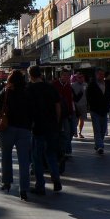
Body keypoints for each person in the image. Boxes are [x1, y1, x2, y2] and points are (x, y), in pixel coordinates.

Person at [0, 70, 32, 201]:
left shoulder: (6, 91)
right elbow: (34, 110)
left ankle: (7, 182)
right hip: (25, 129)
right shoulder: (28, 92)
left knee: (6, 156)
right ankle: (24, 190)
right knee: (24, 161)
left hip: (7, 128)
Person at [27, 65, 63, 195]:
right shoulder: (50, 87)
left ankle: (40, 185)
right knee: (51, 154)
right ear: (41, 74)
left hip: (37, 127)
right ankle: (56, 179)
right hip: (52, 126)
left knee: (37, 157)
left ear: (30, 75)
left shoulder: (29, 89)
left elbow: (27, 110)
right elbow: (58, 106)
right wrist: (57, 122)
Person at [85, 68, 110, 155]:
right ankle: (100, 146)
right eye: (99, 74)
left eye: (102, 74)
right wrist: (91, 106)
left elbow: (109, 95)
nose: (101, 76)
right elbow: (88, 96)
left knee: (103, 129)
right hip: (95, 110)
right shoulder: (92, 85)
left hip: (104, 110)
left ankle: (98, 144)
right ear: (96, 75)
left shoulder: (107, 84)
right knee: (97, 129)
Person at [52, 68, 75, 161]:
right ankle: (66, 151)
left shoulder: (69, 86)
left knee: (72, 131)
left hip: (69, 112)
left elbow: (71, 100)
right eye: (64, 75)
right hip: (60, 113)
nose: (66, 77)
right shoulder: (54, 85)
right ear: (60, 76)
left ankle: (65, 148)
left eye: (68, 76)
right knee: (65, 132)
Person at [71, 72, 87, 138]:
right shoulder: (73, 85)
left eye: (82, 77)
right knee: (76, 120)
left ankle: (80, 132)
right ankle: (75, 132)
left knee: (82, 119)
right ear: (76, 78)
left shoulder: (85, 84)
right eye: (79, 77)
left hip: (84, 104)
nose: (81, 79)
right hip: (76, 105)